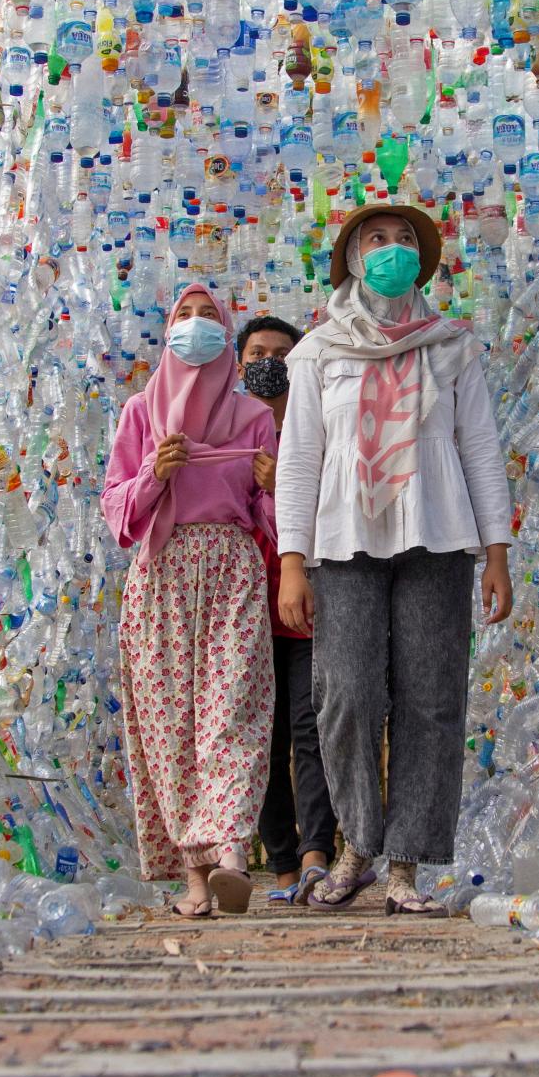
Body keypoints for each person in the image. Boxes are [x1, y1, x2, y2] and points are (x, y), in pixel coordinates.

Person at [275, 204, 513, 916]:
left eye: (405, 239)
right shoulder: (319, 351)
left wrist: (497, 551)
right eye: (377, 239)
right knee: (345, 695)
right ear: (351, 257)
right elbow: (300, 460)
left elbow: (479, 448)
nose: (392, 248)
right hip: (344, 540)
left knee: (431, 700)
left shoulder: (451, 346)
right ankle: (356, 845)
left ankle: (405, 864)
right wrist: (292, 559)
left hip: (439, 535)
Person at [101, 283, 278, 918]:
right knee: (171, 726)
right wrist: (156, 472)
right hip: (162, 577)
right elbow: (118, 514)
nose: (196, 326)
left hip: (232, 571)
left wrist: (272, 484)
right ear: (168, 329)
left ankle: (231, 850)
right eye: (185, 315)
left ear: (226, 337)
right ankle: (195, 878)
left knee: (232, 710)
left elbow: (276, 524)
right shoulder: (139, 414)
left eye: (209, 317)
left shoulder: (254, 418)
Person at [236, 316, 338, 906]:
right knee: (261, 737)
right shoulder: (223, 428)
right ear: (240, 361)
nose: (270, 362)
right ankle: (279, 865)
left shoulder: (319, 425)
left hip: (305, 604)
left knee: (311, 727)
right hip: (241, 614)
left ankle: (316, 853)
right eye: (257, 352)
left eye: (282, 352)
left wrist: (287, 487)